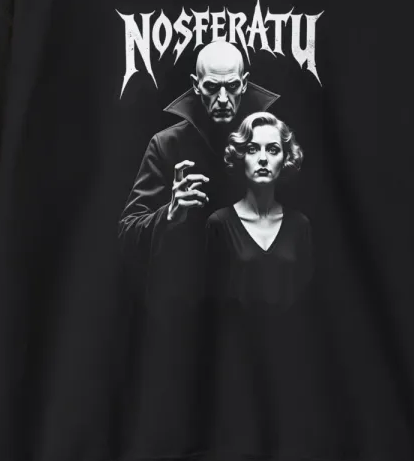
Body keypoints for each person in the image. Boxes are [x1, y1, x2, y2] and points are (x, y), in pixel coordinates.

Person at [119, 40, 279, 300]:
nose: (223, 99)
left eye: (232, 86)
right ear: (196, 85)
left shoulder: (272, 143)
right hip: (185, 303)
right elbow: (128, 233)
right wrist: (168, 215)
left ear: (244, 83)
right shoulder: (166, 145)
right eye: (212, 87)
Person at [204, 111, 313, 311]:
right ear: (241, 156)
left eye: (272, 150)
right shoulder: (219, 224)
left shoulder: (299, 225)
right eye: (252, 149)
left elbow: (307, 302)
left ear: (285, 158)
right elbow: (210, 302)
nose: (263, 159)